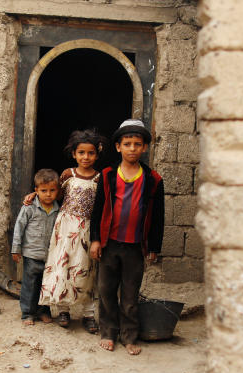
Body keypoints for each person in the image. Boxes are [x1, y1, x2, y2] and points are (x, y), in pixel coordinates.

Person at [89, 119, 164, 355]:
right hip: (110, 245)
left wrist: (154, 246)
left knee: (130, 295)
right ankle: (108, 332)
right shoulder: (108, 175)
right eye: (127, 143)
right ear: (118, 147)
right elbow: (98, 209)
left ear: (144, 148)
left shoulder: (153, 179)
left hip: (135, 246)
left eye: (137, 144)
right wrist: (95, 240)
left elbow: (158, 215)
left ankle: (129, 335)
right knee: (107, 290)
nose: (132, 148)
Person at [37, 129, 105, 330]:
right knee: (63, 267)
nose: (86, 157)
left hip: (87, 230)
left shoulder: (100, 179)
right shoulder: (68, 174)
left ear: (97, 155)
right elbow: (52, 194)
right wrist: (34, 195)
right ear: (74, 154)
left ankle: (89, 314)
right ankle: (64, 311)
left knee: (86, 270)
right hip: (65, 228)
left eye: (90, 153)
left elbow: (101, 207)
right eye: (81, 152)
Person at [11, 168, 60, 326]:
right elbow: (19, 227)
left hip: (49, 255)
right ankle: (27, 313)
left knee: (46, 284)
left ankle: (43, 311)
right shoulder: (29, 207)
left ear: (57, 191)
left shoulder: (58, 209)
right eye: (43, 190)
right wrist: (16, 248)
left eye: (52, 190)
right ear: (36, 191)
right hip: (32, 254)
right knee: (30, 284)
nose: (48, 194)